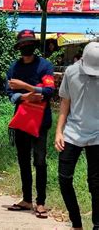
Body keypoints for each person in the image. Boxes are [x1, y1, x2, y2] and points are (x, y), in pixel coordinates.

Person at [6, 30, 55, 219]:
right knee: (23, 161)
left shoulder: (45, 65)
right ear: (18, 47)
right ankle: (27, 199)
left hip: (41, 122)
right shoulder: (14, 68)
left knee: (40, 161)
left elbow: (49, 91)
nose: (27, 47)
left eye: (30, 43)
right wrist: (30, 95)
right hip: (21, 121)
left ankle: (41, 202)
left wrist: (24, 87)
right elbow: (11, 95)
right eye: (23, 44)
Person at [55, 42, 99, 230]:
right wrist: (59, 131)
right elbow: (65, 102)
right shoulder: (71, 72)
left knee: (96, 184)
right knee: (64, 179)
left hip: (97, 135)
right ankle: (76, 224)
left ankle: (97, 225)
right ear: (82, 60)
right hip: (72, 133)